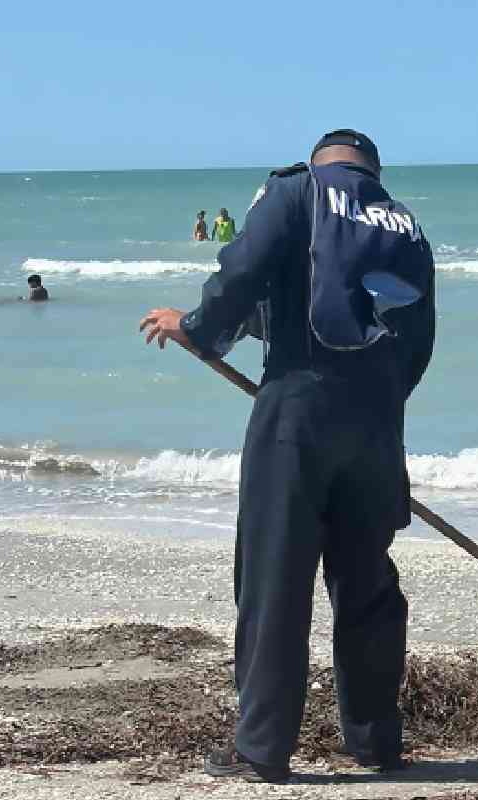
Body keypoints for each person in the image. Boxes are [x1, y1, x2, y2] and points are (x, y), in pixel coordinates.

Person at [138, 129, 435, 782]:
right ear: (372, 171)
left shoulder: (295, 192)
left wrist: (194, 328)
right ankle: (377, 741)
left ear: (321, 160)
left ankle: (263, 749)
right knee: (368, 586)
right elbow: (417, 341)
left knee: (275, 580)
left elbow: (242, 269)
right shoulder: (405, 224)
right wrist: (378, 406)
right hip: (378, 422)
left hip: (296, 410)